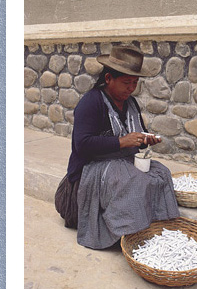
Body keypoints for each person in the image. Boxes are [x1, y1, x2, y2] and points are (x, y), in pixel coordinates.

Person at [55, 45, 180, 249]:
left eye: (134, 83)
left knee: (160, 173)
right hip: (89, 170)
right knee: (132, 181)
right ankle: (126, 233)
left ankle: (151, 225)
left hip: (119, 162)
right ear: (108, 79)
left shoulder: (130, 103)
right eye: (126, 83)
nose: (130, 88)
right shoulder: (91, 102)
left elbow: (136, 133)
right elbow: (82, 144)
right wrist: (122, 141)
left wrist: (145, 139)